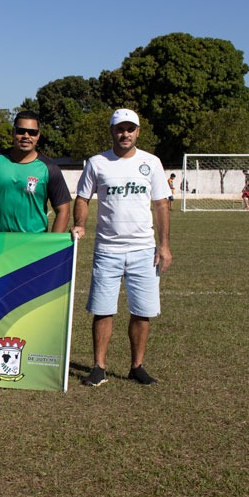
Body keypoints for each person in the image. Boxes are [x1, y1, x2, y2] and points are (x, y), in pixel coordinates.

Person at [71, 108, 172, 387]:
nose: (124, 133)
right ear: (111, 131)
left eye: (130, 128)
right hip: (107, 249)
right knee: (103, 310)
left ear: (138, 132)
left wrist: (164, 245)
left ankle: (137, 366)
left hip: (144, 250)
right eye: (119, 128)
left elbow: (161, 204)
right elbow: (82, 197)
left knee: (142, 311)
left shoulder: (151, 162)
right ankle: (99, 367)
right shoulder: (97, 162)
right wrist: (80, 223)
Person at [0, 110, 72, 233]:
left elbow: (63, 210)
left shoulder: (49, 168)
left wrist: (52, 247)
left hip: (34, 246)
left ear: (38, 135)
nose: (26, 136)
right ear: (13, 132)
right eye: (21, 131)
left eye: (32, 132)